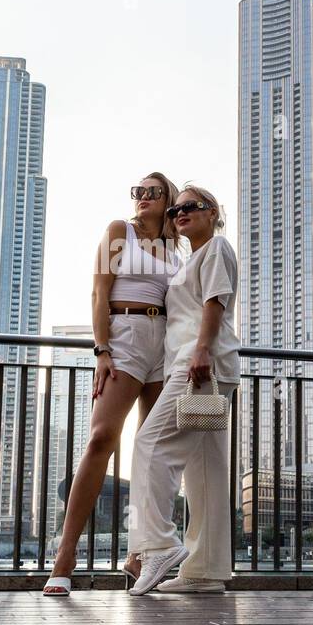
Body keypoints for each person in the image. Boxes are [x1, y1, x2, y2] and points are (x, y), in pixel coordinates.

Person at [43, 175, 181, 595]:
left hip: (166, 342)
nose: (141, 198)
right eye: (137, 192)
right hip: (124, 334)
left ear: (168, 200)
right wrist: (101, 349)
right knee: (102, 438)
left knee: (152, 451)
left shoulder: (178, 248)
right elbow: (98, 293)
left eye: (151, 192)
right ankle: (65, 555)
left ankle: (139, 555)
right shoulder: (120, 231)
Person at [127, 186, 241, 596]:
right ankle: (206, 571)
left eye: (190, 206)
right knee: (205, 470)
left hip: (199, 366)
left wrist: (202, 351)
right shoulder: (188, 260)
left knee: (149, 444)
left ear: (213, 212)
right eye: (176, 209)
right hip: (201, 366)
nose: (180, 213)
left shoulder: (216, 248)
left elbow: (215, 303)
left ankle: (158, 544)